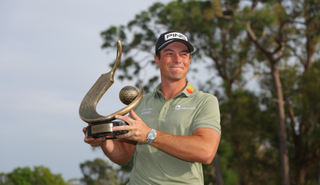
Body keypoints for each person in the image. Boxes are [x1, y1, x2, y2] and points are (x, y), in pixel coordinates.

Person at [83, 30, 221, 185]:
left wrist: (149, 134)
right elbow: (124, 155)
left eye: (183, 54)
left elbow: (206, 151)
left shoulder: (205, 101)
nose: (177, 59)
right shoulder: (140, 103)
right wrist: (104, 142)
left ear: (189, 59)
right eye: (169, 53)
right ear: (157, 60)